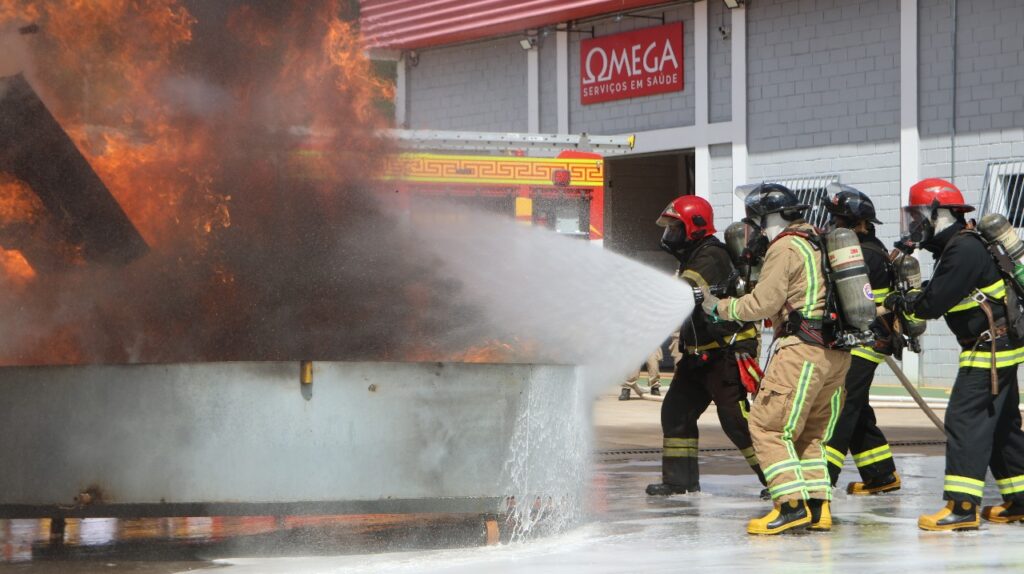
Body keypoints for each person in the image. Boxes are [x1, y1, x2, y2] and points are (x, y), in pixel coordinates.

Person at [702, 183, 851, 535]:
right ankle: (818, 508)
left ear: (768, 218)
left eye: (754, 221)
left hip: (802, 351)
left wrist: (719, 308)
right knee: (810, 435)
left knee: (768, 426)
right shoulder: (817, 240)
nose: (752, 231)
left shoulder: (785, 247)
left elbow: (762, 304)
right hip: (834, 354)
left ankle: (790, 508)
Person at [884, 178, 1024, 531]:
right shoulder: (961, 247)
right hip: (999, 347)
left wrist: (903, 302)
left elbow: (933, 303)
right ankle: (1020, 501)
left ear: (939, 214)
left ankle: (961, 508)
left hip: (987, 351)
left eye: (918, 215)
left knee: (965, 422)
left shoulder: (962, 250)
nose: (915, 225)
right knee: (1003, 426)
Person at [645, 195, 766, 496]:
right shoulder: (695, 255)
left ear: (695, 228)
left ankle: (779, 479)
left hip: (726, 351)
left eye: (675, 228)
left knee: (736, 421)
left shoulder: (710, 255)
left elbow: (685, 290)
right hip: (699, 355)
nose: (669, 235)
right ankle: (679, 481)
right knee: (676, 412)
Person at [822, 186, 901, 495]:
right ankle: (880, 475)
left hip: (865, 342)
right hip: (867, 338)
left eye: (838, 219)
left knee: (839, 407)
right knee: (857, 407)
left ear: (856, 222)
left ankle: (821, 480)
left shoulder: (860, 254)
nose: (833, 224)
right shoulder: (868, 247)